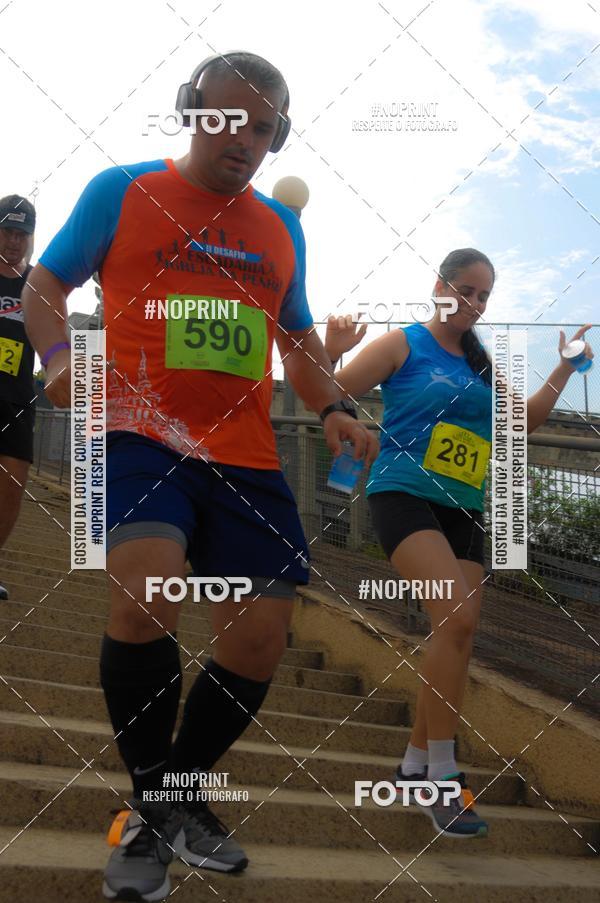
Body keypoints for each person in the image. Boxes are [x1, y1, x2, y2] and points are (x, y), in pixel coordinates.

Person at [22, 51, 378, 901]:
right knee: (149, 588)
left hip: (247, 453)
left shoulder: (279, 229)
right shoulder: (122, 190)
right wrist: (61, 353)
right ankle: (161, 808)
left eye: (265, 127)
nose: (246, 139)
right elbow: (43, 282)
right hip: (142, 432)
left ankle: (164, 800)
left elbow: (293, 339)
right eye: (228, 118)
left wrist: (332, 405)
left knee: (260, 635)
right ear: (190, 111)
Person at [324, 247, 593, 838]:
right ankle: (441, 777)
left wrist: (565, 369)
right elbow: (332, 393)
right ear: (440, 287)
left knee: (457, 632)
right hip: (403, 495)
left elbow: (522, 422)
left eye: (484, 296)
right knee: (459, 618)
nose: (474, 304)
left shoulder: (479, 363)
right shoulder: (403, 344)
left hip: (464, 509)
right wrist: (331, 353)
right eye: (466, 291)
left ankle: (416, 763)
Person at [0, 195, 36, 600]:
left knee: (11, 484)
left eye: (21, 234)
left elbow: (56, 340)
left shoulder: (37, 285)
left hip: (17, 399)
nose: (14, 241)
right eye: (8, 231)